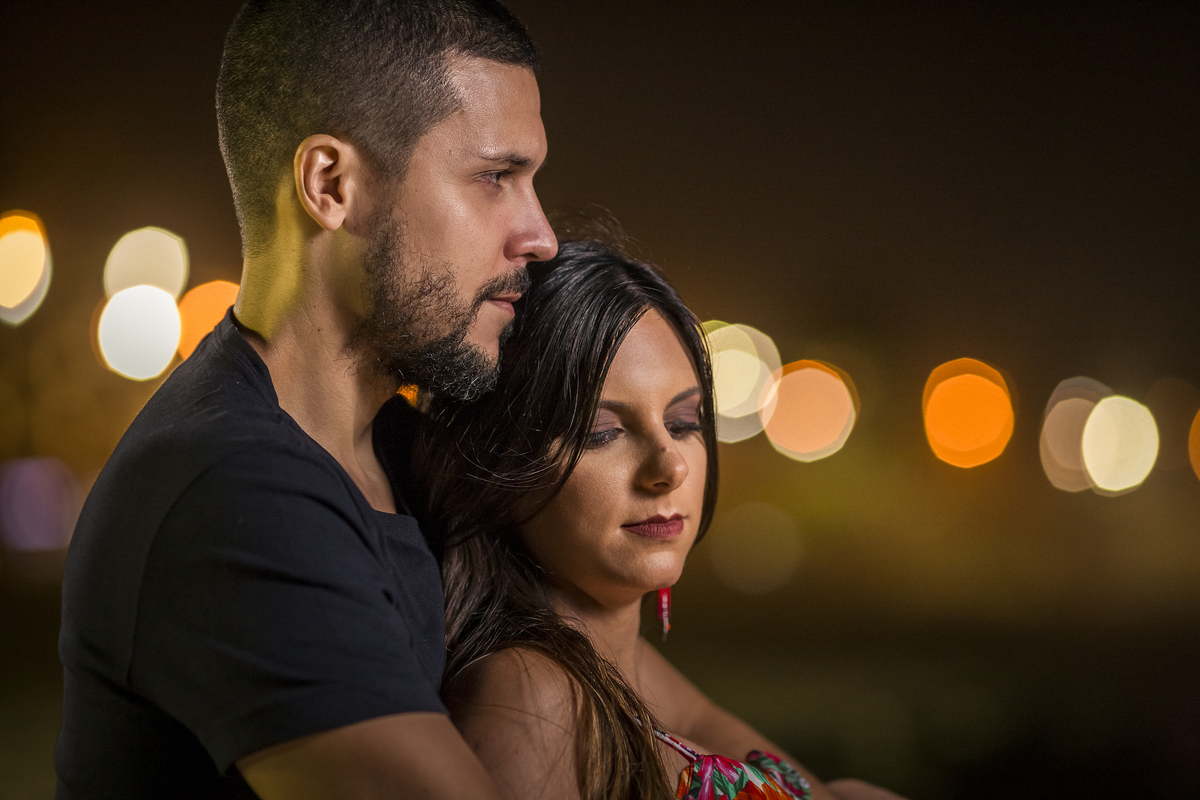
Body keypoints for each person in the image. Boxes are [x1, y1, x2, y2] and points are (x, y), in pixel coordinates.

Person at [55, 1, 555, 798]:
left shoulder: (401, 448)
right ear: (331, 185)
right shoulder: (230, 488)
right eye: (496, 177)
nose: (540, 234)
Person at [416, 239, 905, 800]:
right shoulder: (532, 693)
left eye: (683, 422)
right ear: (502, 459)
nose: (668, 466)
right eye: (602, 432)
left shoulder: (633, 673)